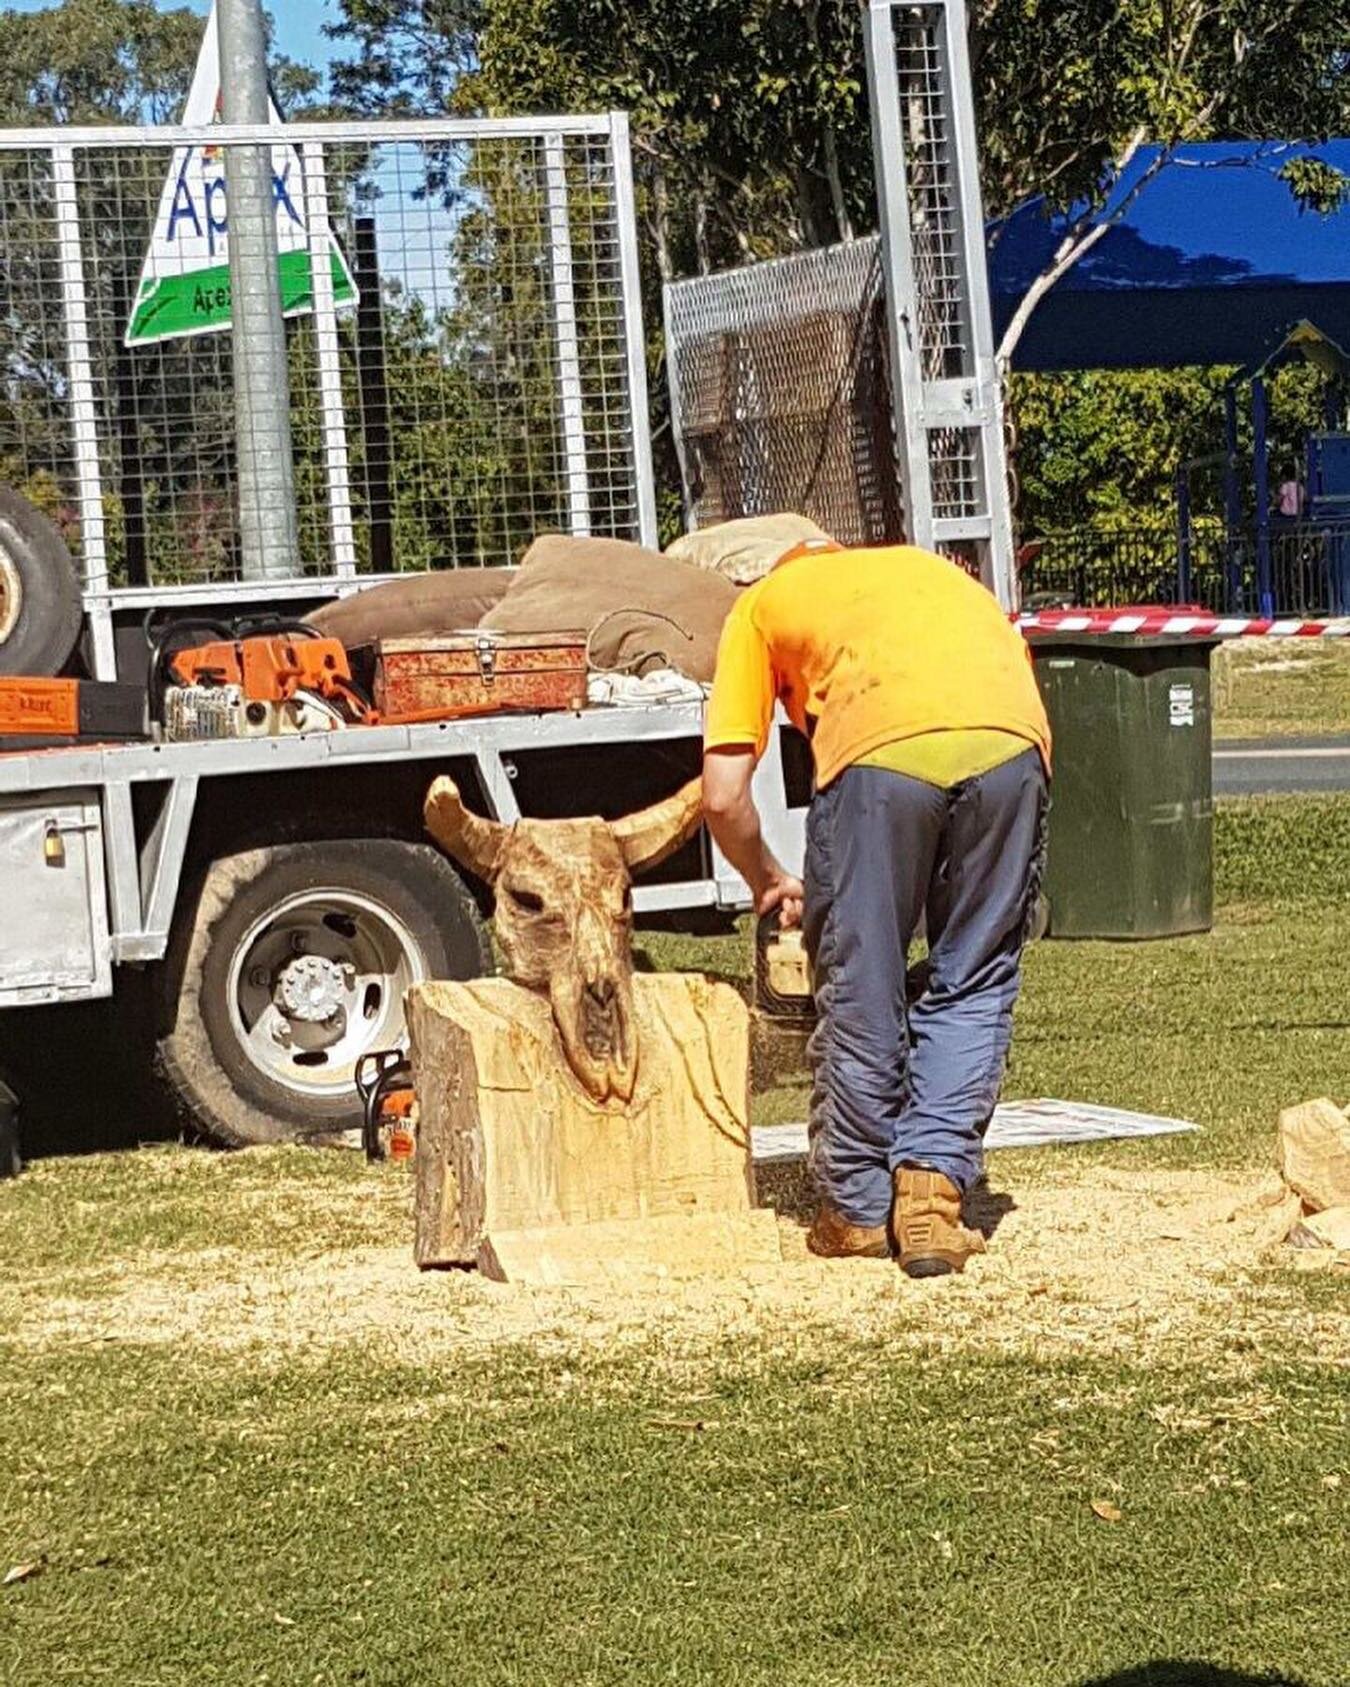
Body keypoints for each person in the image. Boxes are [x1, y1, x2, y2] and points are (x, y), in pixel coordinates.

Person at [701, 537, 1051, 1278]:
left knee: (864, 979)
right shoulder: (923, 573)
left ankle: (858, 1209)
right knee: (974, 976)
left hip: (877, 745)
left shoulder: (761, 605)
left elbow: (724, 794)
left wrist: (767, 877)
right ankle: (928, 1200)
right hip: (1013, 743)